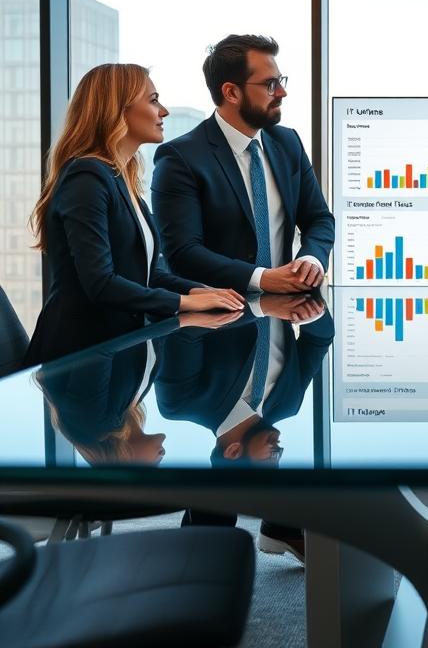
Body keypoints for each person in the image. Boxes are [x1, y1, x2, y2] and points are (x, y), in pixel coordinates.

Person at [24, 64, 244, 366]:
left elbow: (144, 273)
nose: (163, 111)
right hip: (78, 360)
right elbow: (100, 283)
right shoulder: (87, 177)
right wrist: (184, 302)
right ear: (117, 110)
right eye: (153, 100)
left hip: (114, 348)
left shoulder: (119, 178)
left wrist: (200, 291)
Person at [151, 34, 335, 294]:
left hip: (288, 309)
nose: (282, 92)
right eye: (270, 84)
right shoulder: (180, 158)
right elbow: (183, 253)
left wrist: (311, 259)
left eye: (280, 81)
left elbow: (319, 218)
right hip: (218, 313)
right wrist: (262, 278)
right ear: (232, 93)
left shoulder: (288, 143)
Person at [156, 294, 333, 562]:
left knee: (219, 505)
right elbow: (320, 338)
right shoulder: (288, 402)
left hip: (221, 279)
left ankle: (202, 554)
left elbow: (188, 329)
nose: (279, 450)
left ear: (233, 451)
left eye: (269, 459)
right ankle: (279, 527)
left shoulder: (181, 401)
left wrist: (262, 307)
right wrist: (311, 310)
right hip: (286, 283)